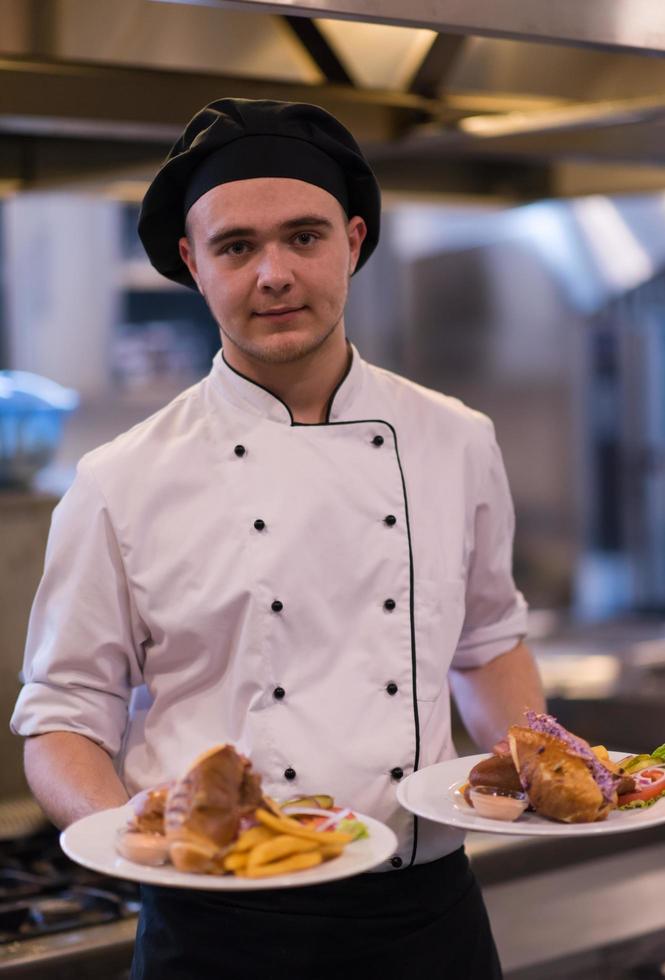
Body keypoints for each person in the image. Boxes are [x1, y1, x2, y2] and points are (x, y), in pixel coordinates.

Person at [11, 98, 545, 979]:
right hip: (214, 929)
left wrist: (549, 762)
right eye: (235, 246)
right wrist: (131, 838)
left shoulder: (457, 439)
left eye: (304, 237)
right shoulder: (121, 478)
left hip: (424, 914)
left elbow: (487, 642)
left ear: (354, 241)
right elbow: (62, 721)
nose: (274, 274)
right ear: (192, 261)